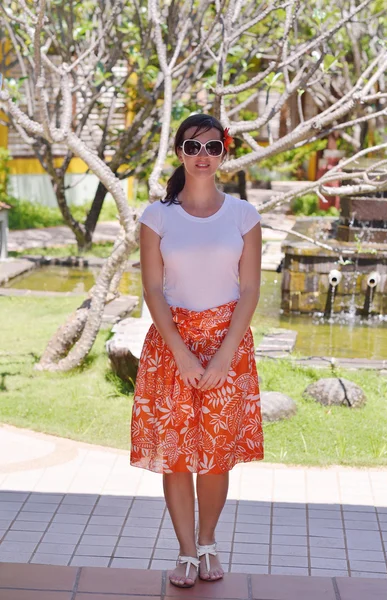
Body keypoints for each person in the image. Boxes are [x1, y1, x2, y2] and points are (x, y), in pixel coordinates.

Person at [130, 113, 264, 588]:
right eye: (193, 147)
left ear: (223, 152)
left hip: (229, 345)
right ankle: (186, 552)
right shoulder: (157, 216)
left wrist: (223, 355)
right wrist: (183, 354)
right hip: (172, 347)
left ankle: (208, 544)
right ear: (180, 153)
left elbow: (249, 291)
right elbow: (152, 290)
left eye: (212, 147)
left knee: (215, 455)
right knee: (178, 455)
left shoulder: (244, 215)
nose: (202, 156)